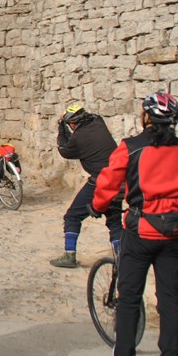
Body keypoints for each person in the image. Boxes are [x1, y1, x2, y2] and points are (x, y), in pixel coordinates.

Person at [91, 91, 178, 356]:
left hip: (141, 231)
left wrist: (97, 206)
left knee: (129, 298)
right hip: (174, 231)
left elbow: (108, 182)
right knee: (169, 298)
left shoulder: (131, 147)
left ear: (146, 117)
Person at [49, 102, 123, 268]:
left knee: (72, 216)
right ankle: (122, 256)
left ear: (72, 124)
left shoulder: (78, 138)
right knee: (114, 221)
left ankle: (69, 255)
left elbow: (65, 150)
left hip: (100, 182)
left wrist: (62, 130)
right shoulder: (98, 122)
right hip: (118, 180)